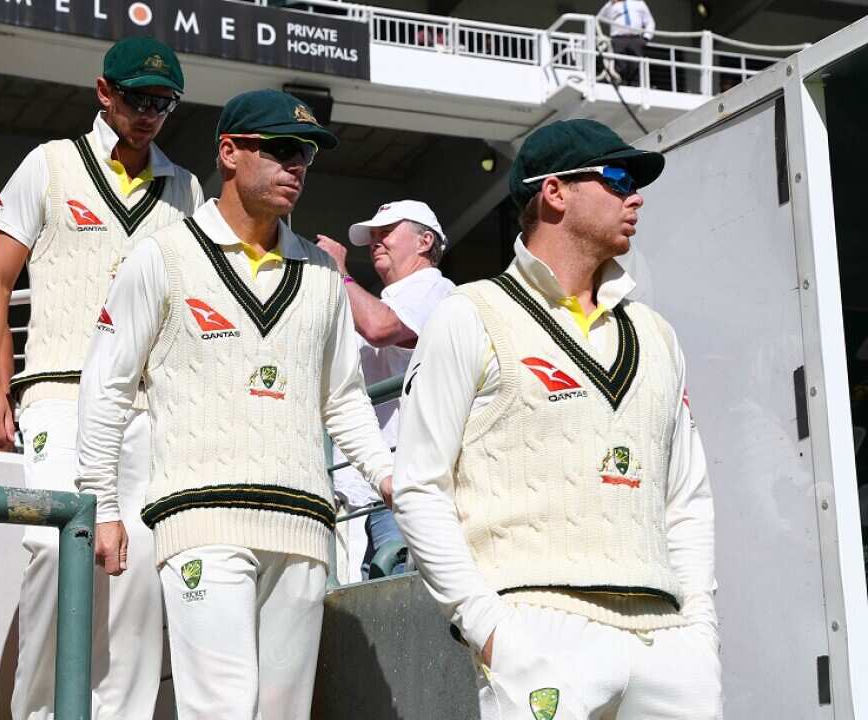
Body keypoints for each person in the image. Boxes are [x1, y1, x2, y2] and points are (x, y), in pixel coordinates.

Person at [76, 88, 394, 720]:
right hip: (200, 518)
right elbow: (106, 386)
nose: (296, 165)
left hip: (304, 526)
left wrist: (391, 478)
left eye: (305, 153)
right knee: (219, 710)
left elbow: (345, 401)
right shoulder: (163, 256)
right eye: (280, 149)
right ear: (229, 151)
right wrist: (103, 505)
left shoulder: (324, 277)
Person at [392, 119, 719, 719]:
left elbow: (687, 498)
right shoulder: (470, 315)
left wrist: (699, 633)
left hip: (669, 641)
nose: (636, 196)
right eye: (618, 179)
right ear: (555, 192)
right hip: (537, 629)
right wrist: (488, 628)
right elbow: (419, 486)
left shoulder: (657, 335)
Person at [0, 37, 202, 719]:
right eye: (137, 98)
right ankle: (37, 713)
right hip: (58, 389)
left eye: (163, 102)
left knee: (134, 577)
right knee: (52, 549)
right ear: (104, 93)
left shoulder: (184, 187)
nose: (149, 112)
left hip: (148, 404)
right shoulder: (49, 164)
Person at [315, 200, 454, 580]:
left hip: (402, 482)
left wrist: (339, 272)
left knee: (393, 592)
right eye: (373, 235)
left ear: (426, 241)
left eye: (387, 232)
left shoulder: (435, 288)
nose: (376, 241)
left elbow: (380, 327)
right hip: (365, 482)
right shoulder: (387, 297)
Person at [599, 0, 656, 86]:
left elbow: (650, 22)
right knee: (620, 65)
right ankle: (620, 84)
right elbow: (599, 18)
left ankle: (636, 86)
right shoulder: (611, 5)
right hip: (618, 39)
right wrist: (610, 3)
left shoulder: (639, 3)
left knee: (636, 65)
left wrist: (646, 38)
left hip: (636, 39)